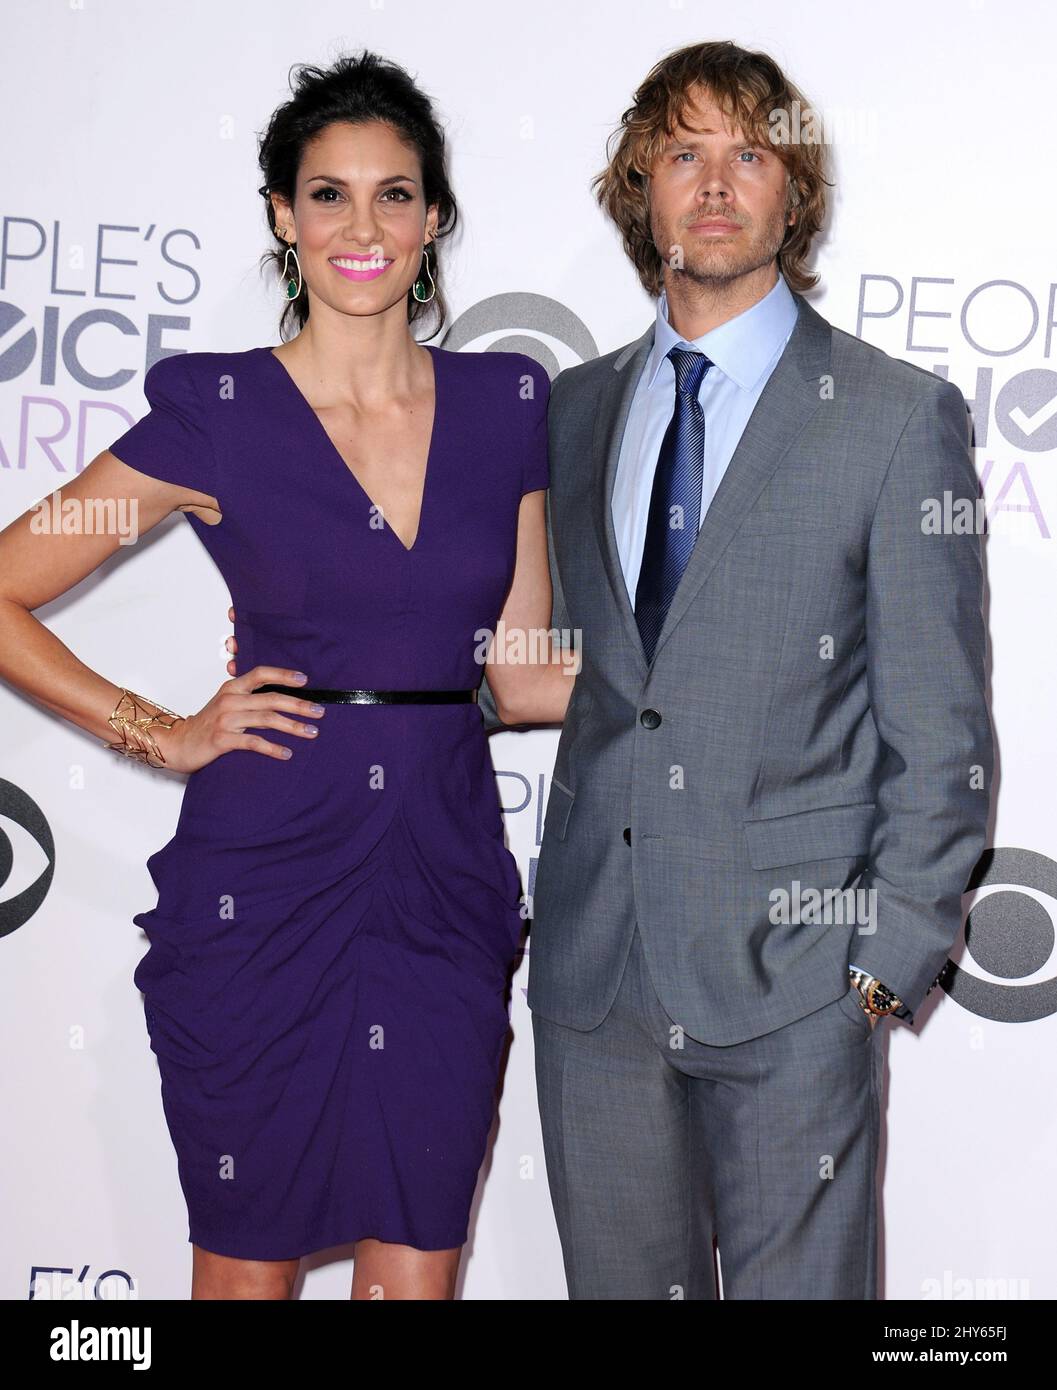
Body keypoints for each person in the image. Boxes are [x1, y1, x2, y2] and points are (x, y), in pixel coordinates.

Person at [0, 51, 573, 1300]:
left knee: (415, 1266)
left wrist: (730, 678)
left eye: (394, 194)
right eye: (327, 195)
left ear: (434, 217)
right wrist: (160, 729)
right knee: (246, 1267)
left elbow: (524, 676)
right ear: (281, 215)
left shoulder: (505, 402)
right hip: (263, 882)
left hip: (443, 874)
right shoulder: (219, 413)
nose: (361, 226)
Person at [477, 40, 993, 1299]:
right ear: (638, 189)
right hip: (595, 977)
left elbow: (942, 732)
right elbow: (547, 661)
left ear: (792, 193)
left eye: (749, 154)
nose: (714, 185)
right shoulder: (574, 408)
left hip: (798, 983)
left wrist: (876, 973)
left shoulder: (890, 416)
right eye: (682, 154)